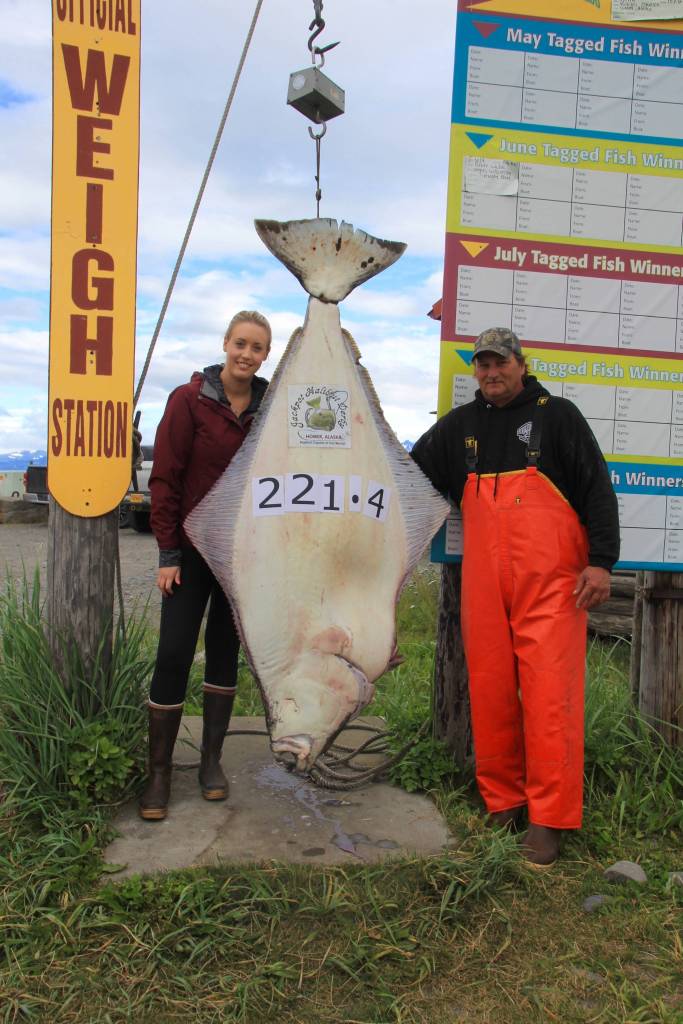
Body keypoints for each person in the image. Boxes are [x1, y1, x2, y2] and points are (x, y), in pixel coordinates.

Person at [411, 328, 620, 865]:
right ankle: (502, 802)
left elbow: (597, 488)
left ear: (521, 364)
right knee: (489, 688)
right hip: (484, 584)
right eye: (481, 365)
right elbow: (411, 476)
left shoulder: (559, 416)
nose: (490, 373)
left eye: (499, 363)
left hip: (552, 587)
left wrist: (601, 563)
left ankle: (548, 819)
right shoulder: (459, 428)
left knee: (551, 699)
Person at [139, 310, 271, 821]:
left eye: (257, 348)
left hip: (240, 555)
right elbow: (165, 480)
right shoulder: (188, 400)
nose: (247, 354)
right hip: (192, 551)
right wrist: (168, 554)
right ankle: (160, 772)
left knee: (223, 650)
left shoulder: (270, 408)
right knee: (173, 652)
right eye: (240, 343)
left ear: (265, 356)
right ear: (225, 343)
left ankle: (211, 762)